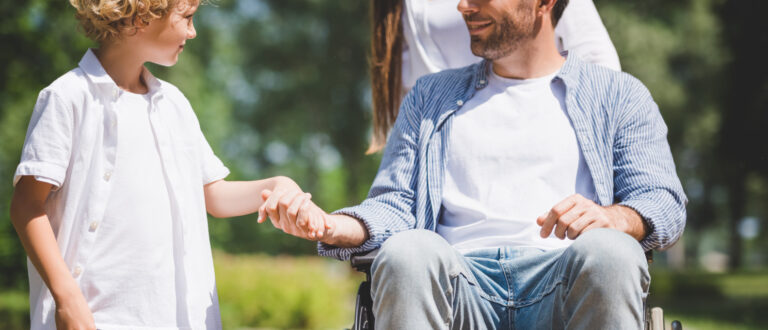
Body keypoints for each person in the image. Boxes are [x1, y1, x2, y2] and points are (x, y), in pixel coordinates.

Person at [264, 0, 687, 328]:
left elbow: (663, 201)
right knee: (408, 251)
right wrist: (333, 226)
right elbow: (394, 206)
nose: (463, 6)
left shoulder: (619, 96)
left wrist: (614, 218)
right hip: (459, 284)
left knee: (612, 250)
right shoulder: (431, 97)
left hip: (564, 279)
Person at [9, 0, 315, 328]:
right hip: (97, 320)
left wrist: (276, 186)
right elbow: (26, 206)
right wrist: (67, 298)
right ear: (143, 15)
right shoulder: (67, 97)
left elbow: (214, 195)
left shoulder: (174, 104)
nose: (193, 32)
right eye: (187, 18)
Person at [368, 0, 621, 153]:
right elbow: (408, 83)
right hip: (447, 160)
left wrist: (601, 153)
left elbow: (594, 52)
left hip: (535, 139)